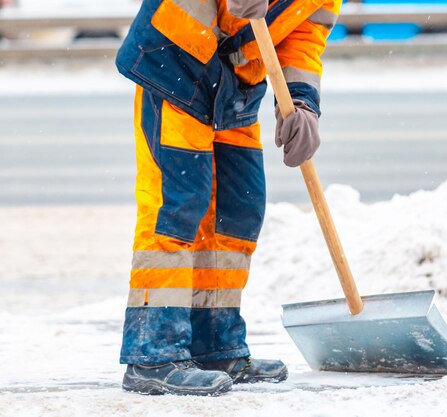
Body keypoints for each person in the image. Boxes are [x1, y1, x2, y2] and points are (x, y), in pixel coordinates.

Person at [114, 0, 340, 396]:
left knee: (237, 213)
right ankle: (153, 354)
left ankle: (216, 345)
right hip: (177, 66)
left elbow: (303, 35)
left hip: (236, 89)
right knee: (177, 210)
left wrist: (302, 102)